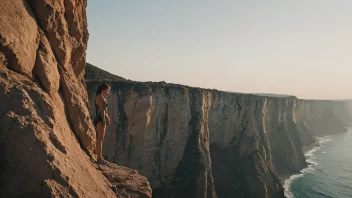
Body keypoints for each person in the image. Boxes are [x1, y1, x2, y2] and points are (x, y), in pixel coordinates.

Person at [93, 83, 111, 164]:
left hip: (99, 119)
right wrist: (104, 120)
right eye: (108, 91)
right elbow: (101, 110)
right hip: (100, 119)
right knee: (100, 139)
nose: (108, 93)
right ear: (103, 90)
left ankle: (99, 156)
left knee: (100, 139)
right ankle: (99, 158)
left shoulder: (101, 97)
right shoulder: (100, 97)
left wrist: (107, 118)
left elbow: (103, 109)